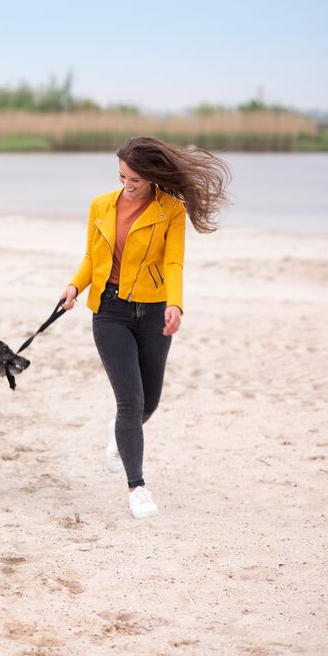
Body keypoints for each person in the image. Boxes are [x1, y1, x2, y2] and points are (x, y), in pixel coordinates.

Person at [58, 136, 231, 519]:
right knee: (131, 402)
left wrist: (175, 303)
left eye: (134, 179)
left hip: (153, 313)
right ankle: (137, 487)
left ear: (152, 177)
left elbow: (174, 263)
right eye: (121, 176)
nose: (127, 184)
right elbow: (91, 256)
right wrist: (74, 286)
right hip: (109, 311)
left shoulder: (170, 209)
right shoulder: (100, 205)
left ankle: (117, 433)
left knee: (148, 402)